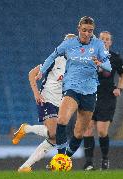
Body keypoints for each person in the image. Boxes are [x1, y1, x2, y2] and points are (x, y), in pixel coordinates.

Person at [35, 16, 111, 162]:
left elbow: (108, 67)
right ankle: (60, 157)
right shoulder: (69, 44)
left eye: (90, 31)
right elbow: (52, 56)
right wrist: (42, 71)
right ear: (78, 29)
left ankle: (64, 159)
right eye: (84, 30)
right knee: (62, 120)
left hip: (89, 92)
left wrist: (100, 62)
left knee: (79, 133)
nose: (87, 33)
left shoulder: (98, 45)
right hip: (72, 89)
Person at [12, 34, 77, 172]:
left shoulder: (76, 65)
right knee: (54, 133)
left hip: (62, 104)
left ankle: (24, 167)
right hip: (47, 99)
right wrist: (36, 93)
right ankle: (27, 130)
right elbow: (31, 73)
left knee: (53, 138)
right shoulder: (55, 60)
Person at [83, 31, 123, 170]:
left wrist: (119, 88)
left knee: (102, 131)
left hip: (107, 98)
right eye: (102, 39)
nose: (105, 41)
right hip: (90, 96)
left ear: (111, 42)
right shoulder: (90, 55)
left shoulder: (116, 58)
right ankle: (89, 163)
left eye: (107, 39)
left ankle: (105, 159)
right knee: (88, 129)